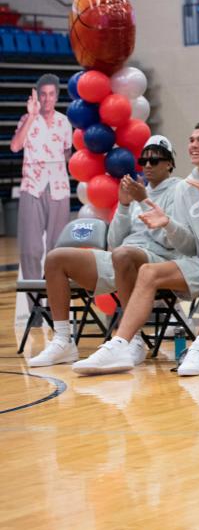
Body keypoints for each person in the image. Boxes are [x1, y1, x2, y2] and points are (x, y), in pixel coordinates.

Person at [72, 122, 199, 376]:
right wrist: (169, 225)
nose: (194, 145)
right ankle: (121, 344)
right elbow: (189, 246)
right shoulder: (187, 188)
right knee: (149, 272)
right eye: (191, 139)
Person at [26, 136, 181, 367]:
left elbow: (172, 241)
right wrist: (125, 205)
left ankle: (132, 339)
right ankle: (63, 341)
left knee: (124, 255)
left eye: (155, 160)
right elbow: (115, 241)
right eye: (144, 160)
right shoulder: (138, 191)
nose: (148, 165)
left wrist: (144, 200)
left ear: (169, 163)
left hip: (160, 259)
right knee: (56, 258)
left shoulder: (180, 190)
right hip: (123, 257)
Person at [11, 75, 71, 280]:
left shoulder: (64, 122)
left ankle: (55, 303)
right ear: (37, 96)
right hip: (32, 187)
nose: (47, 99)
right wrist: (30, 116)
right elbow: (15, 146)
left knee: (57, 250)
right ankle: (34, 306)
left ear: (56, 96)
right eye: (43, 94)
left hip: (59, 189)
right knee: (31, 250)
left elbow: (67, 153)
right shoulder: (27, 120)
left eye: (51, 94)